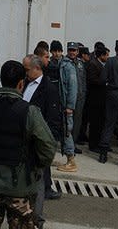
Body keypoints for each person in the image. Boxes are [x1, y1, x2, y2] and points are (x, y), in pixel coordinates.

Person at [0, 60, 56, 229]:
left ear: (1, 80)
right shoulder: (30, 112)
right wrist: (36, 167)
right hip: (21, 188)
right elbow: (48, 146)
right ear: (21, 83)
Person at [23, 54, 62, 225]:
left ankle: (36, 217)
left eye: (26, 69)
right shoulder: (25, 84)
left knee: (39, 180)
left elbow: (53, 120)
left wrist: (47, 143)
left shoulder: (49, 89)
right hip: (24, 139)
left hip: (38, 140)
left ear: (37, 68)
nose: (24, 72)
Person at [47, 40, 78, 172]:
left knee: (66, 131)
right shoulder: (52, 64)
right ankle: (50, 156)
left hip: (64, 105)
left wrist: (70, 106)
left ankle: (71, 160)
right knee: (53, 130)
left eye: (59, 51)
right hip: (54, 104)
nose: (57, 53)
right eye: (55, 51)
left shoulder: (67, 66)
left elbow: (73, 87)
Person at [86, 45, 108, 152]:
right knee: (95, 123)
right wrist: (104, 82)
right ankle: (93, 145)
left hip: (100, 98)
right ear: (102, 55)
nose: (108, 57)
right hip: (95, 98)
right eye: (106, 55)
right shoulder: (93, 64)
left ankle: (97, 143)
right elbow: (92, 80)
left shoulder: (100, 64)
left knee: (99, 123)